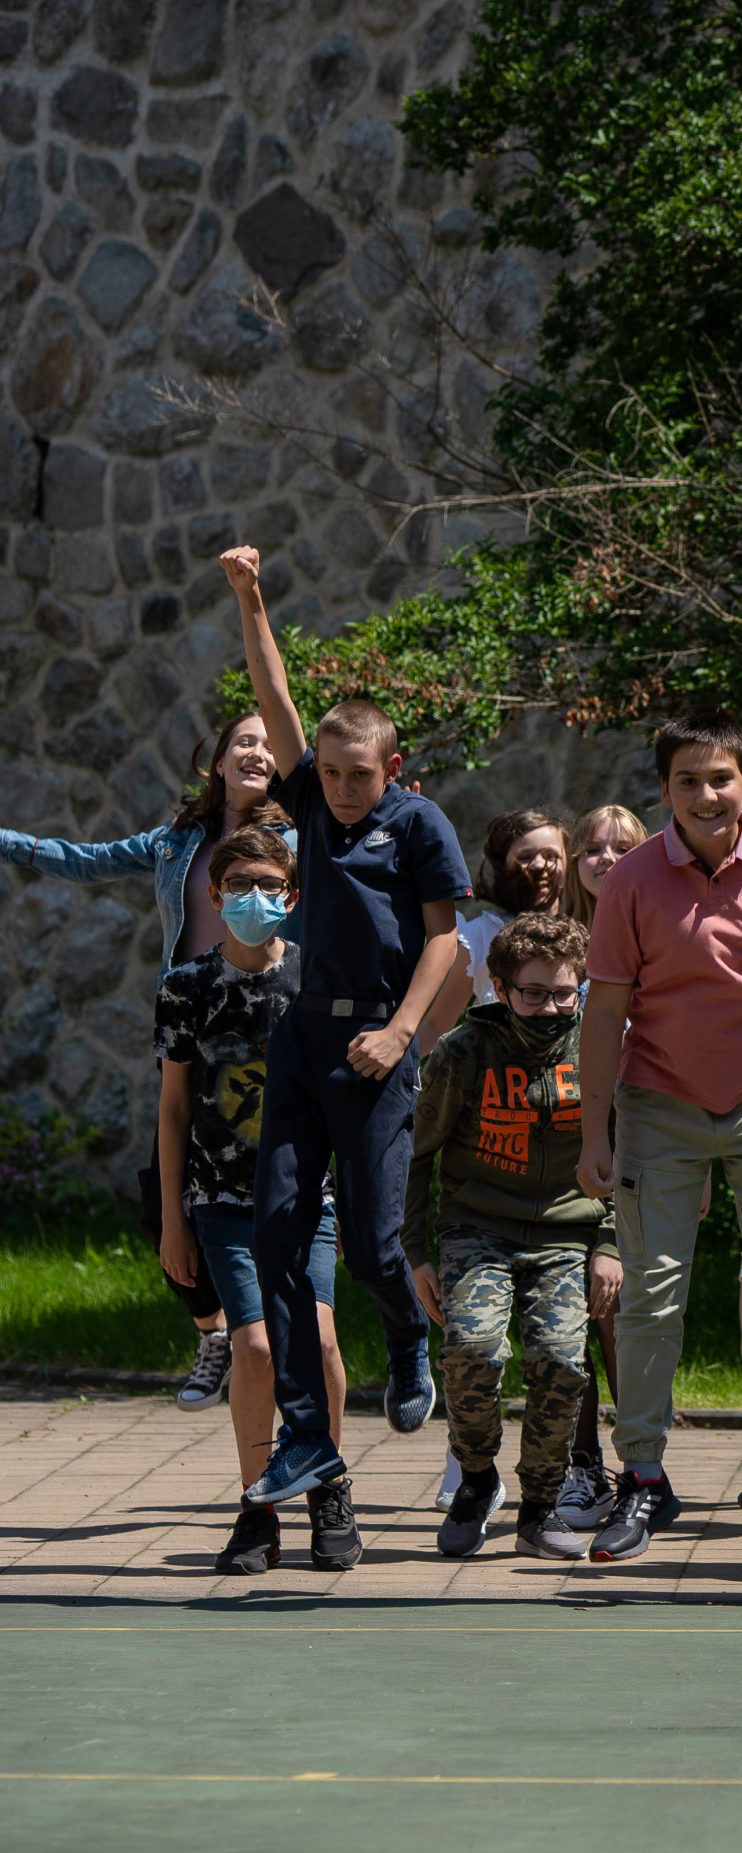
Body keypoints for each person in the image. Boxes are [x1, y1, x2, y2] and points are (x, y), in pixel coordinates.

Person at [224, 547, 471, 1536]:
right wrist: (251, 599)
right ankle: (304, 1433)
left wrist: (400, 1031)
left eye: (357, 775)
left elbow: (446, 939)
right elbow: (274, 697)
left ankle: (408, 1332)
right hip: (301, 1039)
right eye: (326, 774)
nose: (337, 789)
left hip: (378, 1048)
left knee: (371, 1244)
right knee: (276, 1234)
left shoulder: (418, 825)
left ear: (391, 769)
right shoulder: (312, 805)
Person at [575, 707, 742, 1568]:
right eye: (687, 780)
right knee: (651, 1294)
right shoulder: (631, 881)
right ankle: (642, 1476)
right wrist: (594, 1131)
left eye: (720, 778)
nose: (706, 794)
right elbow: (605, 1011)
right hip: (658, 1101)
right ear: (664, 790)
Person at [3, 710, 294, 1410]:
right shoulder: (176, 841)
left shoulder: (297, 839)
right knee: (167, 1200)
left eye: (268, 744)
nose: (256, 751)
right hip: (194, 1028)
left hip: (270, 1031)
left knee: (270, 1183)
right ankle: (212, 1331)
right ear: (218, 760)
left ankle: (275, 1339)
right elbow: (88, 860)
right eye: (243, 741)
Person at [153, 826, 349, 1573]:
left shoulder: (314, 976)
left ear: (292, 896)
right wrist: (173, 1218)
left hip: (308, 1197)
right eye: (238, 885)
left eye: (269, 885)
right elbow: (174, 1107)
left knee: (319, 1342)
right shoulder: (186, 988)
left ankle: (329, 1489)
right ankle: (257, 1508)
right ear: (214, 894)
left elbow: (344, 1098)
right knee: (256, 1348)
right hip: (221, 1201)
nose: (253, 898)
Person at [403, 913, 616, 1561]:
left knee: (561, 1360)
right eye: (533, 993)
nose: (550, 1008)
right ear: (500, 987)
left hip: (566, 1233)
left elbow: (624, 1150)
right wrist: (416, 1253)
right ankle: (475, 1479)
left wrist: (609, 1244)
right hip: (478, 1228)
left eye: (564, 994)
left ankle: (540, 1505)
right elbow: (416, 1153)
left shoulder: (599, 1046)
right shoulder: (463, 1052)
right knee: (472, 1348)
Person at [555, 801, 647, 1524]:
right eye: (592, 848)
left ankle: (640, 1466)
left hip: (642, 1137)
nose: (606, 860)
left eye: (622, 848)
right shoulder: (555, 940)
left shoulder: (656, 933)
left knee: (625, 1314)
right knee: (569, 1311)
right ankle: (581, 1462)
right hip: (560, 1143)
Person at [422, 809, 569, 1044]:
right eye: (525, 856)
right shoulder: (481, 937)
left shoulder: (586, 931)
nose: (540, 865)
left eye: (551, 855)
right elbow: (436, 1024)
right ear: (503, 865)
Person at [564, 805, 648, 927]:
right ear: (574, 863)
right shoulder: (556, 934)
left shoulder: (662, 929)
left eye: (623, 849)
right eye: (593, 850)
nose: (607, 857)